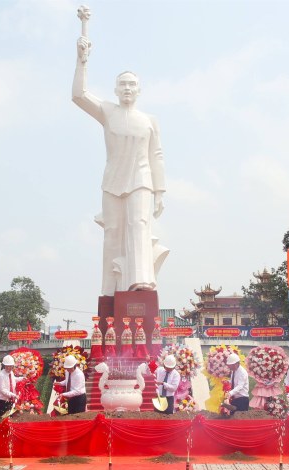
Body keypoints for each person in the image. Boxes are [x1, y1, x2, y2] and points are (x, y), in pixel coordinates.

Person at [73, 26, 168, 295]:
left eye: (132, 84)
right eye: (123, 84)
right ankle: (108, 288)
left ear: (139, 90)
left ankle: (141, 281)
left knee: (139, 225)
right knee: (112, 231)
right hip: (113, 180)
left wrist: (160, 191)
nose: (127, 88)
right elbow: (78, 95)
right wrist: (82, 60)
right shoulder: (107, 111)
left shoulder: (150, 120)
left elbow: (156, 155)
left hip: (142, 179)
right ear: (116, 89)